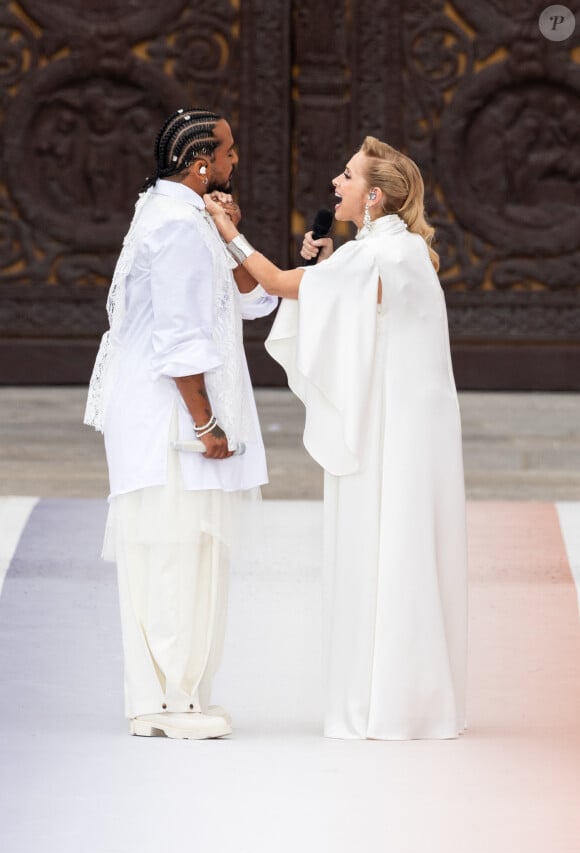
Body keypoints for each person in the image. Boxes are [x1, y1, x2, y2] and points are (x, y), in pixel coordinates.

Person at [205, 136, 467, 740]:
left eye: (346, 176)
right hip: (413, 422)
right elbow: (358, 312)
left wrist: (225, 229)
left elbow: (272, 281)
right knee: (407, 541)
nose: (336, 184)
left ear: (373, 195)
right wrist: (327, 263)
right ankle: (411, 695)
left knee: (382, 538)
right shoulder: (406, 251)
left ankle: (386, 699)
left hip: (387, 428)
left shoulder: (374, 258)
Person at [84, 108, 277, 739]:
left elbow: (249, 300)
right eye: (227, 150)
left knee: (189, 550)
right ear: (200, 162)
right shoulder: (172, 224)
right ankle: (163, 701)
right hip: (165, 415)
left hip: (174, 413)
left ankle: (182, 695)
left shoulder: (188, 217)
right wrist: (206, 424)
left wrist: (228, 233)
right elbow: (176, 335)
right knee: (168, 549)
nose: (235, 159)